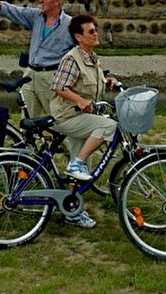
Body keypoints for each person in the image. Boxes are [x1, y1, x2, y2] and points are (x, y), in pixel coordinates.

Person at [50, 14, 118, 229]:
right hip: (68, 116)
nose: (96, 33)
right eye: (91, 31)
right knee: (108, 125)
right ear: (79, 37)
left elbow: (89, 83)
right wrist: (79, 101)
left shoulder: (92, 58)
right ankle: (75, 163)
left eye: (96, 29)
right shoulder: (72, 58)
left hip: (81, 117)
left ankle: (72, 211)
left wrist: (109, 82)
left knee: (81, 169)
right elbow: (59, 87)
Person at [0, 0, 73, 118]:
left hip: (52, 77)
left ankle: (57, 139)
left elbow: (81, 52)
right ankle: (27, 137)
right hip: (30, 74)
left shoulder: (71, 25)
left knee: (57, 118)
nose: (40, 0)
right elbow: (13, 11)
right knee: (26, 117)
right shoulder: (36, 16)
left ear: (57, 1)